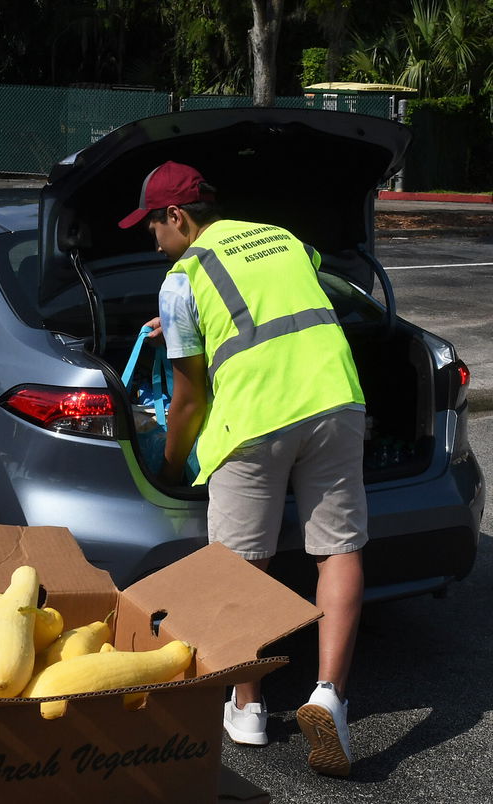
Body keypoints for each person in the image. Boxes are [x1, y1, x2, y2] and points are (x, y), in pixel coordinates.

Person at [119, 161, 366, 778]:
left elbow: (188, 400)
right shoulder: (283, 237)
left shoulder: (181, 279)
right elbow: (289, 294)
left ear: (176, 215)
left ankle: (248, 706)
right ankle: (329, 694)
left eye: (152, 222)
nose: (151, 237)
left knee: (237, 568)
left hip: (252, 420)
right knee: (337, 550)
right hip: (335, 399)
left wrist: (173, 462)